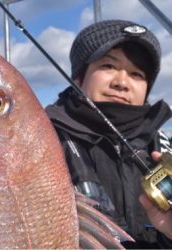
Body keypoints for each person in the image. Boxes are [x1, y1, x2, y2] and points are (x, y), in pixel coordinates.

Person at [46, 19, 172, 248]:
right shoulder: (44, 141)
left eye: (136, 74)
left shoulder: (163, 148)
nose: (122, 82)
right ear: (78, 78)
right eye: (108, 66)